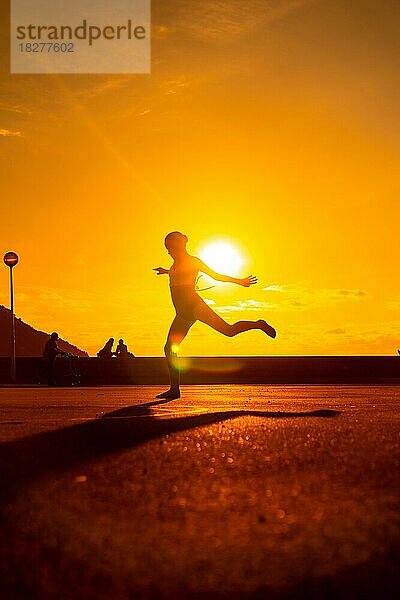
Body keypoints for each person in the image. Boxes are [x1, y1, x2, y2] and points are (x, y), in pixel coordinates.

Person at [153, 231, 276, 399]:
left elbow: (217, 276)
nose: (168, 251)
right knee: (169, 348)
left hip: (194, 307)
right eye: (166, 248)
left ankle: (258, 324)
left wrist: (239, 281)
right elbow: (178, 274)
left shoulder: (193, 261)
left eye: (169, 247)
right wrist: (166, 271)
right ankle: (175, 390)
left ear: (178, 245)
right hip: (182, 314)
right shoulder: (174, 265)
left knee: (229, 331)